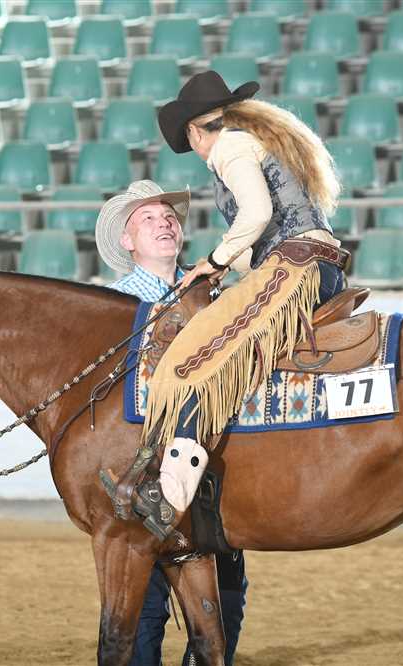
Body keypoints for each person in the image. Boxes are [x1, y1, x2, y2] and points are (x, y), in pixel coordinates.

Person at [107, 70, 349, 543]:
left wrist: (216, 260)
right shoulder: (257, 141)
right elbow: (262, 236)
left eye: (191, 143)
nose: (198, 153)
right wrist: (220, 263)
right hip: (308, 261)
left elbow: (257, 215)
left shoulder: (229, 146)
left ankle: (171, 491)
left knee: (202, 350)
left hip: (296, 268)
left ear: (195, 131)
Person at [97, 180, 248, 666]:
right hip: (143, 480)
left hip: (209, 477)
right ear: (127, 240)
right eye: (148, 218)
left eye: (168, 217)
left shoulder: (214, 292)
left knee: (226, 605)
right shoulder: (110, 309)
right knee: (144, 611)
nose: (164, 223)